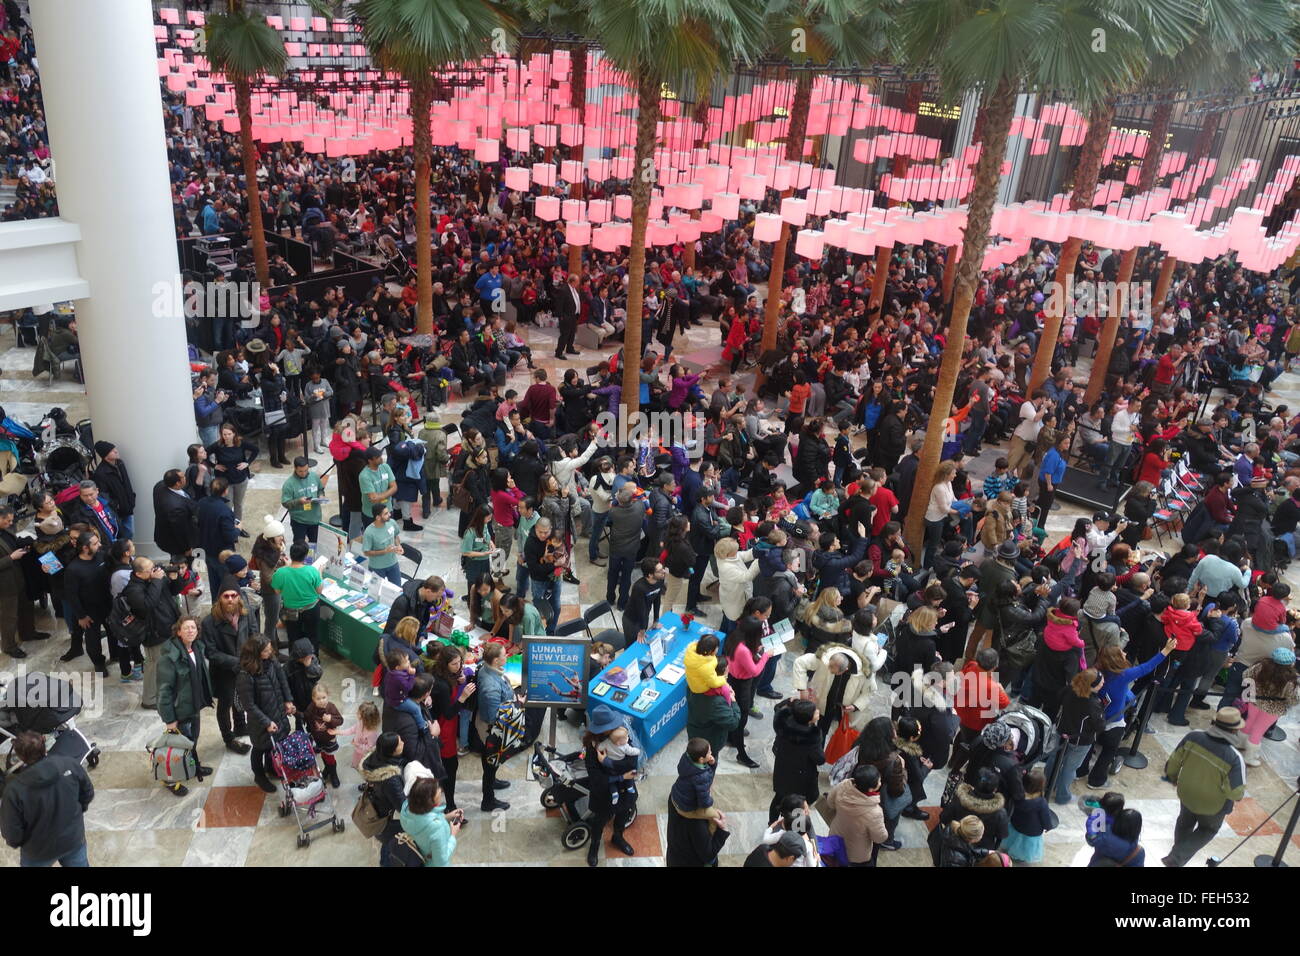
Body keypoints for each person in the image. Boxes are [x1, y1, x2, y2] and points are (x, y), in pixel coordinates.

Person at [1162, 706, 1248, 867]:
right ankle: (1177, 856)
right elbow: (1236, 794)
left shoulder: (1193, 737)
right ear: (1234, 731)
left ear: (1214, 722)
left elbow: (1173, 762)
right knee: (1207, 830)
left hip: (1186, 793)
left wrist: (1172, 777)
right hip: (1213, 806)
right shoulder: (1234, 758)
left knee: (1184, 822)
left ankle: (1177, 855)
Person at [0, 730, 94, 868]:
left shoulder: (14, 791)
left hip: (38, 850)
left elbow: (11, 830)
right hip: (72, 839)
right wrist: (77, 813)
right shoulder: (69, 764)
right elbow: (87, 793)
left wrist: (21, 842)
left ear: (20, 756)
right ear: (44, 745)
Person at [155, 615, 215, 797]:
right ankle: (171, 779)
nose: (190, 631)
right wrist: (169, 720)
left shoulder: (197, 648)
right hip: (179, 711)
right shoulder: (169, 657)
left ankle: (193, 765)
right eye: (186, 628)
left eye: (194, 628)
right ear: (178, 631)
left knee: (192, 739)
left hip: (194, 706)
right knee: (177, 747)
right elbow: (164, 691)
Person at [122, 556, 187, 711]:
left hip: (169, 627)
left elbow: (174, 590)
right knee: (154, 665)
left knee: (168, 663)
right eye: (150, 569)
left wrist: (175, 578)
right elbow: (148, 605)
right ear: (139, 574)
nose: (155, 570)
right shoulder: (133, 589)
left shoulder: (155, 578)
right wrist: (157, 581)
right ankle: (149, 699)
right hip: (154, 634)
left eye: (154, 567)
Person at [236, 635, 296, 793]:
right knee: (259, 748)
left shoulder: (272, 661)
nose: (270, 651)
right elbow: (249, 705)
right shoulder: (245, 675)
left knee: (274, 745)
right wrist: (266, 722)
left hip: (277, 711)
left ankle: (271, 768)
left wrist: (288, 700)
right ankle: (259, 775)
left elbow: (282, 680)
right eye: (266, 650)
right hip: (260, 721)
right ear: (256, 652)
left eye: (270, 648)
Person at [201, 578, 252, 755]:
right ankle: (228, 737)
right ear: (220, 598)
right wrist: (236, 662)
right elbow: (211, 652)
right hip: (224, 671)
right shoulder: (209, 622)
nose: (230, 599)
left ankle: (240, 726)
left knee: (240, 698)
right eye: (226, 596)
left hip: (244, 667)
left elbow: (253, 636)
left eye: (234, 595)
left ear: (239, 597)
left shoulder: (246, 613)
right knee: (225, 705)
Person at [583, 704, 639, 866]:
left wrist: (607, 763)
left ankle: (618, 837)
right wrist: (621, 776)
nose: (615, 727)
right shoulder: (592, 746)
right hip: (604, 792)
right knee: (599, 821)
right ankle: (594, 846)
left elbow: (632, 763)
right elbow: (595, 777)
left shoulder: (621, 735)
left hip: (625, 791)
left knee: (623, 815)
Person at [475, 643, 517, 811]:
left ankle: (492, 781)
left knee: (491, 762)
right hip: (492, 731)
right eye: (504, 655)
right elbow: (492, 717)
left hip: (491, 727)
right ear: (496, 660)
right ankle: (488, 801)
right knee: (490, 763)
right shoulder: (490, 687)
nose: (506, 656)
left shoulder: (486, 668)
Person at [1240, 647, 1299, 766]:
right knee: (1259, 730)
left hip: (1255, 701)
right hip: (1273, 709)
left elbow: (1245, 675)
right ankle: (1249, 757)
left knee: (1249, 722)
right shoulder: (1291, 679)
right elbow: (1293, 700)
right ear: (1290, 663)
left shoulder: (1261, 666)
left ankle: (1240, 744)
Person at [770, 698, 823, 823]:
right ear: (809, 719)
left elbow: (779, 708)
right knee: (798, 806)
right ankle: (795, 831)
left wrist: (791, 702)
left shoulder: (784, 725)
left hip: (782, 769)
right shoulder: (810, 738)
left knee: (779, 798)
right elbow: (820, 759)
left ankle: (771, 823)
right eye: (815, 711)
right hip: (801, 778)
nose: (818, 712)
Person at [826, 764, 890, 866]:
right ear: (870, 789)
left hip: (835, 837)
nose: (880, 783)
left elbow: (830, 802)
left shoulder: (843, 785)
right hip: (856, 854)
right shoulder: (874, 812)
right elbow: (879, 838)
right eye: (879, 781)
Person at [398, 775, 462, 867]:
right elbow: (441, 862)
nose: (440, 790)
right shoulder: (436, 828)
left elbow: (424, 823)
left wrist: (446, 817)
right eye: (437, 790)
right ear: (429, 800)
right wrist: (453, 835)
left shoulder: (407, 811)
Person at [271, 543, 323, 655]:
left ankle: (294, 663)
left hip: (291, 610)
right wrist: (320, 573)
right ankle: (313, 661)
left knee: (293, 637)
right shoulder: (312, 571)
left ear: (291, 555)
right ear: (305, 556)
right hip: (311, 609)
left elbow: (277, 591)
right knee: (313, 636)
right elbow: (319, 591)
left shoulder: (281, 572)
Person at [91, 441, 137, 540]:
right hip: (117, 511)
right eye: (111, 451)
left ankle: (128, 553)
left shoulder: (120, 463)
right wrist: (117, 505)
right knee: (123, 535)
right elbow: (103, 495)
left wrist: (131, 498)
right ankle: (125, 554)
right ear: (105, 455)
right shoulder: (101, 473)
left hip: (128, 506)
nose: (116, 451)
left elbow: (127, 483)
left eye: (114, 448)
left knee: (130, 533)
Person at [280, 456, 329, 546]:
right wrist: (299, 501)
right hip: (299, 521)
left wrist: (321, 495)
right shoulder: (289, 484)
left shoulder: (314, 476)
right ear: (295, 469)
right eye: (300, 471)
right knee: (299, 546)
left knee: (315, 544)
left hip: (315, 519)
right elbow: (285, 503)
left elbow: (320, 489)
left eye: (306, 470)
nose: (304, 473)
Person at [621, 558, 664, 648]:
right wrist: (642, 629)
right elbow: (641, 610)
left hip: (644, 617)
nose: (663, 571)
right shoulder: (639, 588)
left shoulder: (659, 580)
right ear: (650, 575)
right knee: (632, 647)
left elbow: (657, 600)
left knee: (642, 645)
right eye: (660, 571)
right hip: (631, 620)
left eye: (662, 568)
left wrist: (656, 620)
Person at [363, 504, 404, 586]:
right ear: (378, 517)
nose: (389, 514)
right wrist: (384, 551)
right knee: (375, 592)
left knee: (397, 590)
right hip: (377, 568)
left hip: (393, 564)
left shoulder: (391, 522)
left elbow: (396, 536)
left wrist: (399, 545)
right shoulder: (369, 532)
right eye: (386, 514)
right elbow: (366, 552)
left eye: (388, 512)